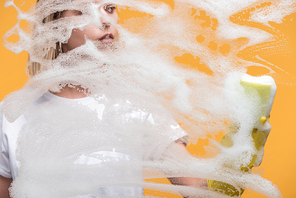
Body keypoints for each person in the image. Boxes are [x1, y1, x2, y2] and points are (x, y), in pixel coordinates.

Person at [0, 0, 208, 197]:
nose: (105, 20)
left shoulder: (135, 106)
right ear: (55, 26)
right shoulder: (13, 113)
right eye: (84, 11)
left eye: (109, 8)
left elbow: (199, 188)